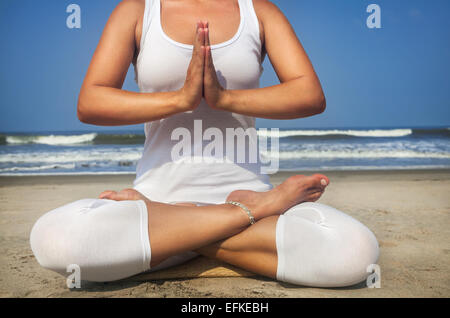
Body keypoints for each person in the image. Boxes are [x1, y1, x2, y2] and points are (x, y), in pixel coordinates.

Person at [30, 0, 379, 287]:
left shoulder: (260, 12)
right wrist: (181, 99)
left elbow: (310, 95)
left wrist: (222, 98)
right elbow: (91, 103)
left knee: (355, 252)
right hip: (169, 206)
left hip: (202, 209)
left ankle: (195, 227)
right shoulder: (137, 11)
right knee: (55, 241)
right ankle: (235, 216)